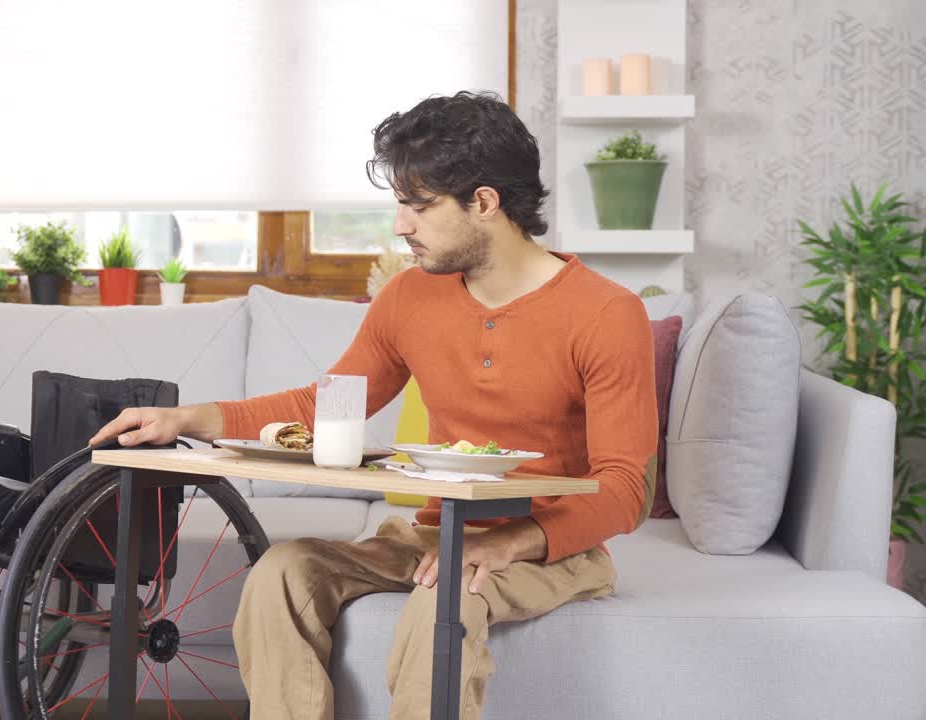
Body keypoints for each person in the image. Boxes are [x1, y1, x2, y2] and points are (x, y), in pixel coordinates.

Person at [88, 90, 658, 720]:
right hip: (433, 535)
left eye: (419, 205)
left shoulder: (606, 313)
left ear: (486, 203)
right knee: (283, 571)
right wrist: (188, 418)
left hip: (553, 548)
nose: (400, 225)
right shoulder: (410, 297)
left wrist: (509, 544)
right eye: (399, 204)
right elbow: (324, 405)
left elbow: (623, 489)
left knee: (447, 600)